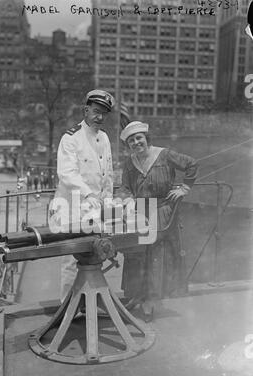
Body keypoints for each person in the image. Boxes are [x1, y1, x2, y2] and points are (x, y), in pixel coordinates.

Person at [116, 121, 199, 321]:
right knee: (137, 257)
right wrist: (127, 200)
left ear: (146, 139)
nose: (136, 143)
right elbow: (125, 187)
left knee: (156, 258)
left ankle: (150, 302)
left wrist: (184, 188)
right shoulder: (130, 163)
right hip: (140, 215)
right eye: (131, 141)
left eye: (139, 138)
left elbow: (191, 164)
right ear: (128, 145)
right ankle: (139, 295)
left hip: (162, 213)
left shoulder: (164, 154)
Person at [51, 89, 115, 303]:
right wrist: (88, 195)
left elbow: (108, 173)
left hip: (95, 210)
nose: (99, 117)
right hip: (72, 208)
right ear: (86, 110)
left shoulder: (104, 137)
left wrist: (107, 201)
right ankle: (66, 308)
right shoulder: (71, 138)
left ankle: (87, 303)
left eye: (104, 113)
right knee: (71, 260)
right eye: (96, 112)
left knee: (93, 258)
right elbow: (67, 174)